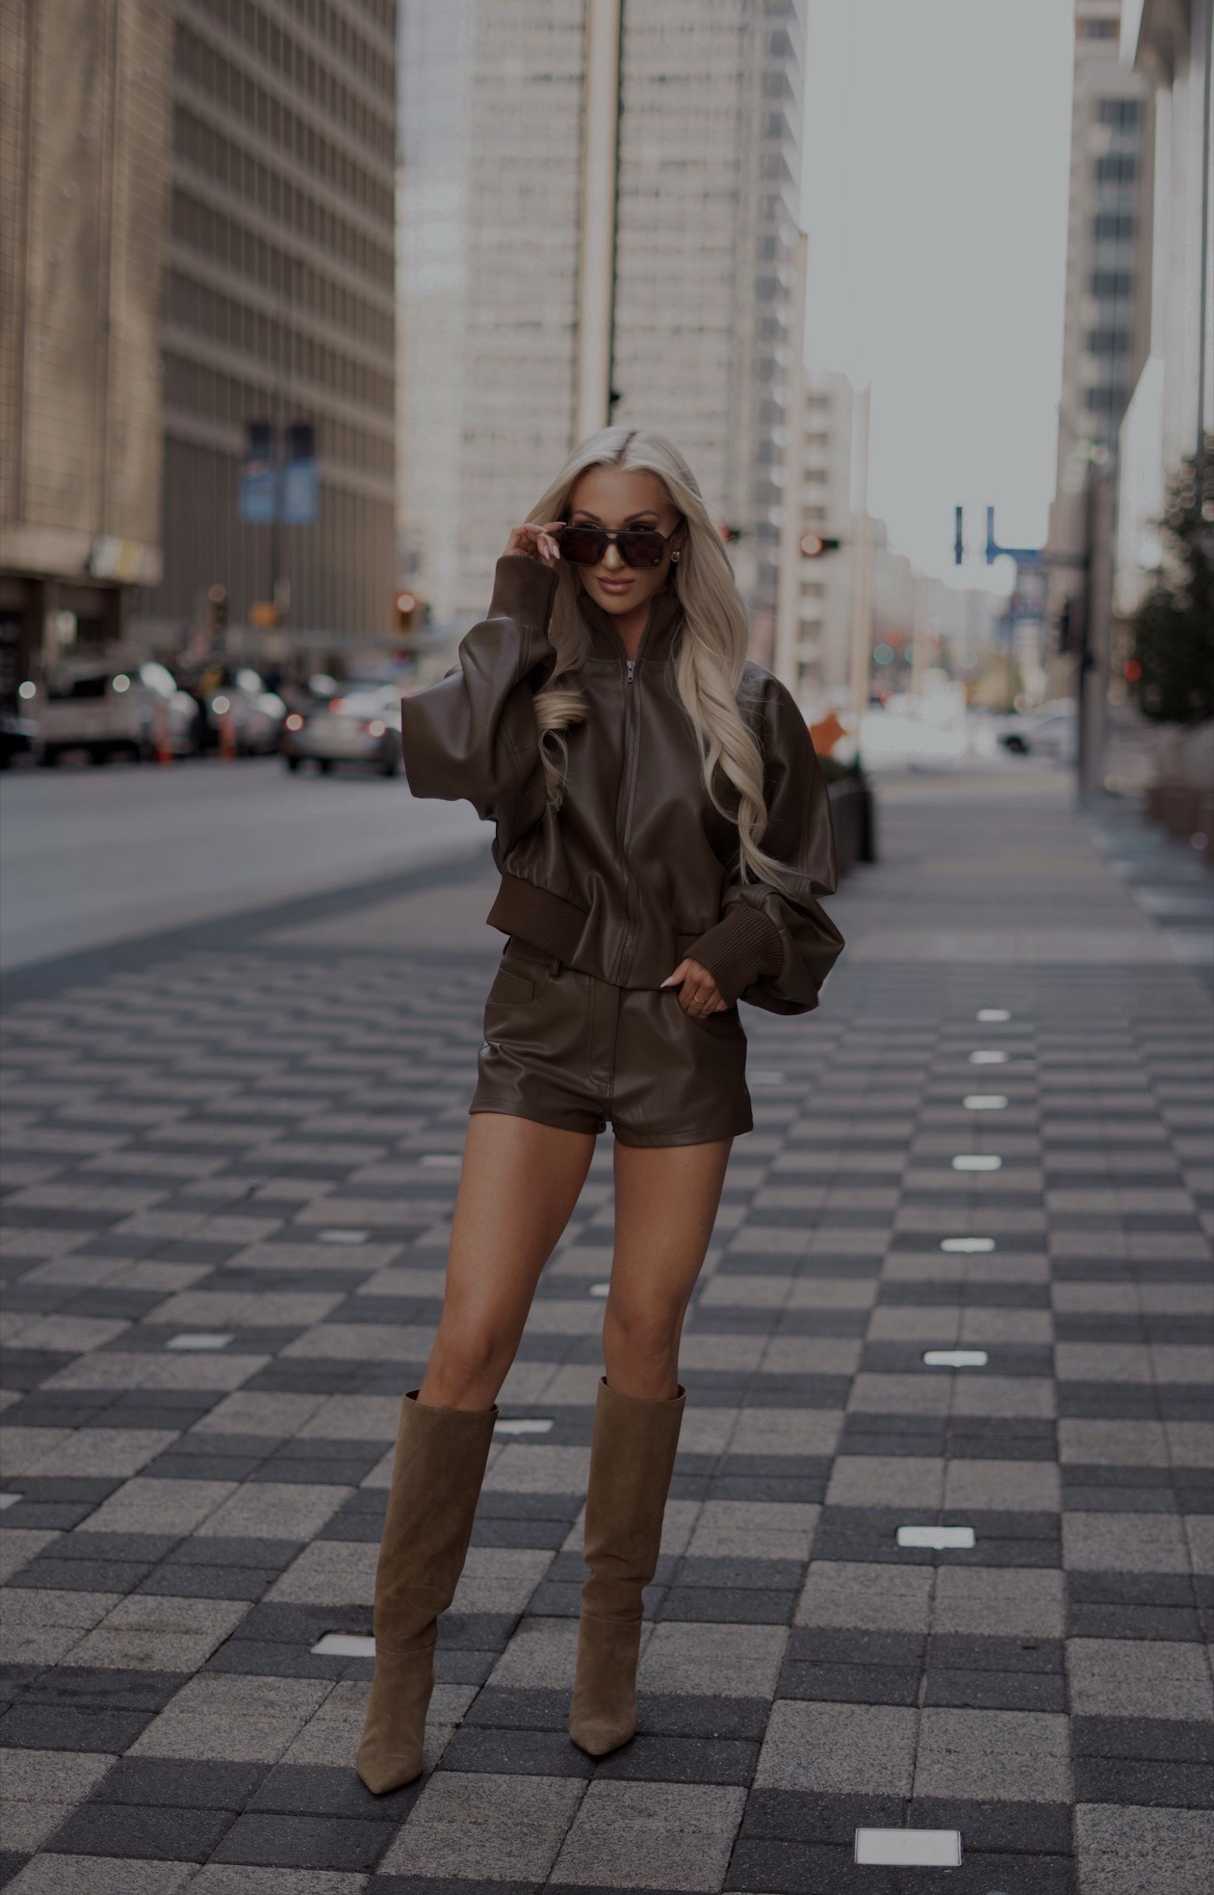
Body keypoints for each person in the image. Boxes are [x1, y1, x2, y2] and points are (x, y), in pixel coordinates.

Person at [356, 425, 845, 1795]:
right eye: (586, 536)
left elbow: (798, 873)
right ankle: (401, 1665)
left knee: (643, 1330)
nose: (615, 558)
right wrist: (516, 605)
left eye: (640, 534)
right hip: (545, 1029)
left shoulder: (747, 703)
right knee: (471, 1337)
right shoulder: (522, 677)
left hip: (680, 1041)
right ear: (555, 542)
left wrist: (736, 953)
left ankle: (605, 1650)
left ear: (678, 542)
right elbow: (448, 762)